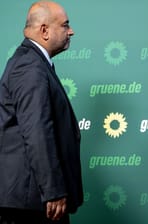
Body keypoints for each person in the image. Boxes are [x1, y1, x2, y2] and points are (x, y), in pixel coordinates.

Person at [0, 1, 83, 223]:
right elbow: (37, 131)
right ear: (44, 31)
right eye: (65, 25)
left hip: (35, 200)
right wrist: (53, 190)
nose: (71, 31)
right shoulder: (29, 66)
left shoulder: (33, 64)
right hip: (32, 203)